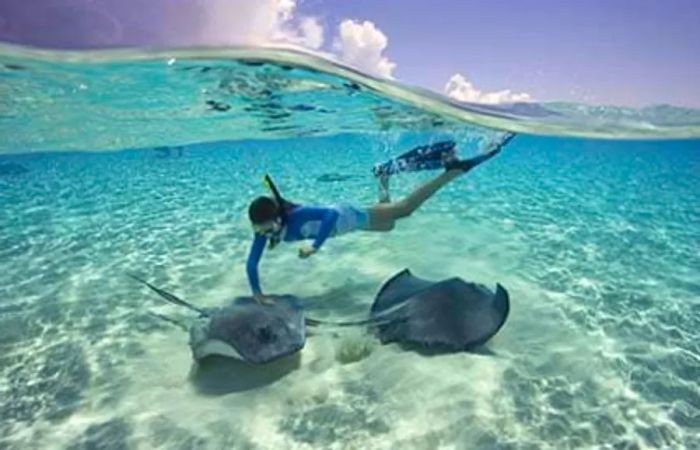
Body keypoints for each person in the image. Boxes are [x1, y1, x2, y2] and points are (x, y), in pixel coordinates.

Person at [246, 132, 515, 304]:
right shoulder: (266, 232)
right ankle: (383, 176)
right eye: (260, 230)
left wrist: (315, 245)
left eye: (266, 228)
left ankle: (451, 172)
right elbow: (252, 263)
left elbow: (328, 216)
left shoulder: (297, 216)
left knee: (406, 208)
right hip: (348, 226)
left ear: (277, 217)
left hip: (346, 216)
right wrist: (258, 295)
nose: (264, 234)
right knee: (389, 225)